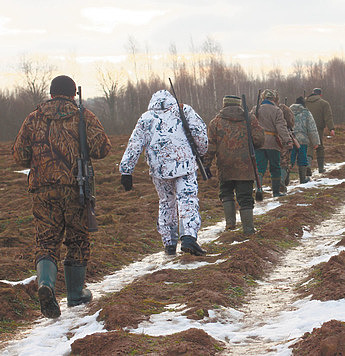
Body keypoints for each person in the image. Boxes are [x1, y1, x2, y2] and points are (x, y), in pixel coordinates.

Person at [12, 75, 111, 319]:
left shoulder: (33, 117)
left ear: (51, 93)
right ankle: (76, 294)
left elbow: (19, 157)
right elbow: (102, 149)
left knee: (46, 241)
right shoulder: (83, 115)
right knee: (77, 239)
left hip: (42, 190)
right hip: (76, 187)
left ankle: (46, 285)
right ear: (73, 94)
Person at [119, 89, 208, 256]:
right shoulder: (184, 110)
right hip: (185, 165)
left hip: (158, 169)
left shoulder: (145, 118)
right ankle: (188, 237)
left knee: (166, 202)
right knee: (187, 199)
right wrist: (201, 154)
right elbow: (200, 133)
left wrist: (126, 171)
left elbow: (134, 144)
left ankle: (169, 243)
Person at [203, 95, 264, 235]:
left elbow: (210, 146)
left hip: (225, 166)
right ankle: (248, 230)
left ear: (224, 105)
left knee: (226, 193)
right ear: (239, 105)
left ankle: (230, 225)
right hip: (245, 166)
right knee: (245, 197)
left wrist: (206, 164)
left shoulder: (215, 122)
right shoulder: (250, 119)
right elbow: (259, 140)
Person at [252, 89, 292, 197]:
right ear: (273, 98)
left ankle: (258, 189)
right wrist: (287, 140)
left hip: (258, 142)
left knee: (259, 167)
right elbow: (281, 127)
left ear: (263, 98)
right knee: (275, 167)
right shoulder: (277, 110)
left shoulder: (256, 109)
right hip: (273, 143)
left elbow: (250, 125)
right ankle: (276, 192)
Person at [289, 96, 320, 183]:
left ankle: (284, 179)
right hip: (302, 140)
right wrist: (316, 142)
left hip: (290, 139)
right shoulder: (306, 112)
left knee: (289, 159)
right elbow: (312, 128)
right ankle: (303, 179)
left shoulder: (288, 112)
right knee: (302, 158)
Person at [305, 88, 335, 173]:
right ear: (320, 95)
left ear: (312, 93)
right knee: (319, 146)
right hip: (318, 128)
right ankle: (321, 168)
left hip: (305, 127)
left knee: (309, 146)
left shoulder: (305, 102)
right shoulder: (324, 103)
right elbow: (328, 117)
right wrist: (331, 128)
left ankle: (307, 165)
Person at [277, 98, 295, 192]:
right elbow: (291, 123)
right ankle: (281, 182)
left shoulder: (270, 109)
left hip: (272, 139)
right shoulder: (285, 109)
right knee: (284, 161)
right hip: (284, 138)